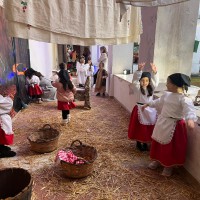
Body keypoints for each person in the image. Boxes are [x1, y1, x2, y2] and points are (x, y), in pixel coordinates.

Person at [143, 73, 197, 176]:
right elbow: (159, 102)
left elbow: (189, 110)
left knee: (170, 147)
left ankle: (168, 165)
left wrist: (190, 119)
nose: (166, 85)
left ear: (175, 85)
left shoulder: (184, 99)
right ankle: (157, 160)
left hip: (174, 125)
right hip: (162, 122)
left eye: (168, 83)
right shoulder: (167, 95)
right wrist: (149, 104)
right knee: (158, 143)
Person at [128, 62, 159, 151]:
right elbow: (134, 81)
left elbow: (155, 82)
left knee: (147, 128)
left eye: (147, 80)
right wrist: (139, 70)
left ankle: (146, 142)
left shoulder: (151, 89)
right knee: (139, 128)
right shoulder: (138, 88)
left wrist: (155, 72)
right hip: (140, 110)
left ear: (149, 81)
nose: (144, 82)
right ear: (140, 81)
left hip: (150, 110)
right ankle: (138, 142)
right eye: (142, 80)